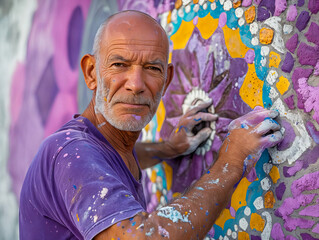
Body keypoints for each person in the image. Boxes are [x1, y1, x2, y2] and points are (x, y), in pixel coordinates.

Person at [19, 10, 283, 240]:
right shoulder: (69, 153)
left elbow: (116, 160)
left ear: (167, 80)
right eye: (119, 64)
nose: (136, 84)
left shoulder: (103, 143)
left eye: (152, 69)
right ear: (91, 73)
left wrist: (169, 148)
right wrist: (231, 161)